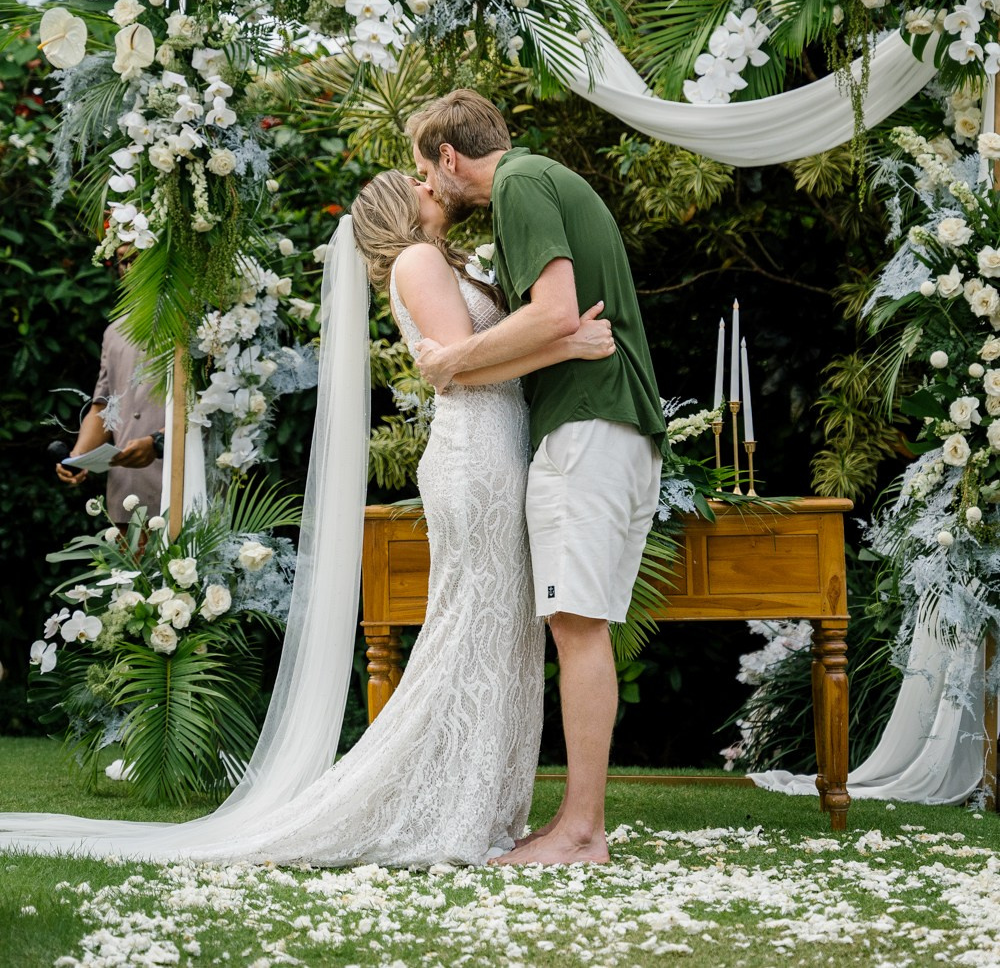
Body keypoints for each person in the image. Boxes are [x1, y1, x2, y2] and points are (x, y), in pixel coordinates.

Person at [0, 172, 613, 866]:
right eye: (411, 179)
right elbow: (455, 372)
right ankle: (450, 805)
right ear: (395, 210)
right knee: (473, 625)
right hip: (475, 453)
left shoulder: (446, 261)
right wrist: (566, 345)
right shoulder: (417, 261)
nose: (426, 180)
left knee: (497, 629)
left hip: (495, 448)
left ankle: (480, 804)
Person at [407, 90, 665, 866]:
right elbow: (564, 323)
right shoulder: (545, 178)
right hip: (611, 427)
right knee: (580, 624)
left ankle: (583, 833)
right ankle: (573, 823)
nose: (426, 184)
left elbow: (555, 314)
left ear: (450, 158)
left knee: (576, 626)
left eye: (425, 168)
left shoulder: (519, 184)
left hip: (587, 429)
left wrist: (450, 360)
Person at [57, 319, 165, 529]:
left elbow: (207, 408)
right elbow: (102, 408)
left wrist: (158, 442)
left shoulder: (200, 324)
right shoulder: (114, 331)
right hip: (126, 495)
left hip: (185, 491)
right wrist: (78, 457)